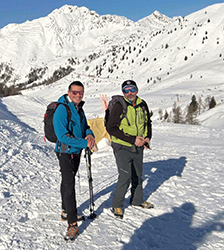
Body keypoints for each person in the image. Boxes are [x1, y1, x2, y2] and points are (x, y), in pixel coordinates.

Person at [53, 81, 96, 240]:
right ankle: (72, 224)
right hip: (65, 152)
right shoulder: (61, 109)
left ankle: (65, 211)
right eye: (75, 92)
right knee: (69, 185)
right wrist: (85, 143)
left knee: (67, 181)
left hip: (76, 151)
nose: (78, 95)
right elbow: (62, 136)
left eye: (81, 92)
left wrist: (90, 134)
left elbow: (85, 126)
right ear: (69, 92)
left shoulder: (79, 108)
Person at [106, 80, 153, 219]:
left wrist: (148, 137)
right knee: (125, 175)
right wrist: (133, 139)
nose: (129, 93)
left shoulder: (142, 104)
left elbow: (148, 123)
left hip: (138, 145)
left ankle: (137, 200)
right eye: (126, 90)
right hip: (122, 146)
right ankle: (117, 205)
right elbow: (111, 128)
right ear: (123, 93)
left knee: (137, 174)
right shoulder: (119, 106)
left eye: (132, 89)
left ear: (137, 90)